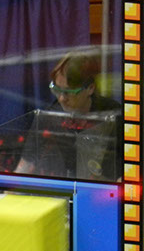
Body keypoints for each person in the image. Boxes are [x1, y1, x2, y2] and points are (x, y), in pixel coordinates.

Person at [15, 51, 121, 180]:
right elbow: (25, 166)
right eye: (57, 90)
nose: (61, 99)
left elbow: (125, 173)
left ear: (90, 88)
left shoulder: (113, 116)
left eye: (68, 92)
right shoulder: (49, 117)